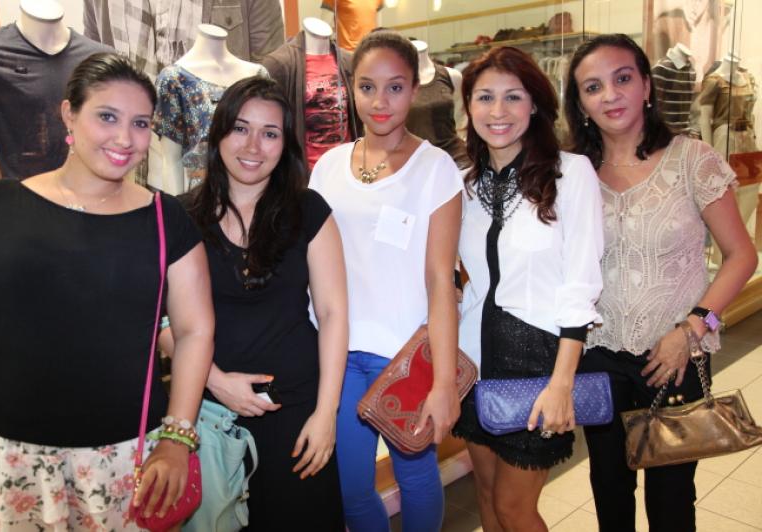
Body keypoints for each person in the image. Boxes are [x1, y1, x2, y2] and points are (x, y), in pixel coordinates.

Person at [0, 52, 214, 531]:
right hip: (4, 450)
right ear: (68, 114)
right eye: (107, 117)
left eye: (141, 123)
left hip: (124, 456)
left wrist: (178, 438)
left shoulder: (167, 220)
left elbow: (195, 331)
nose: (124, 139)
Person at [565, 33, 758, 532]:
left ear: (647, 86)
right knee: (609, 488)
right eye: (593, 87)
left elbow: (741, 256)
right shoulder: (574, 174)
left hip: (676, 353)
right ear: (580, 104)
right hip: (598, 353)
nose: (610, 95)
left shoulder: (692, 159)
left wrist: (694, 327)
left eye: (622, 78)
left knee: (672, 499)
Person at [162, 76, 348, 530]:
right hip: (208, 410)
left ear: (285, 145)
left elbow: (333, 314)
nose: (253, 146)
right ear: (219, 133)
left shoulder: (309, 210)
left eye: (270, 133)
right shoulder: (179, 217)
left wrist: (327, 414)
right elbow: (161, 323)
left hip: (297, 408)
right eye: (240, 128)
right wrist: (216, 380)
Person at [309, 31, 463, 532]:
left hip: (405, 356)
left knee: (415, 477)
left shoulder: (436, 169)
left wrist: (444, 382)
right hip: (338, 352)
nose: (380, 102)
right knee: (350, 488)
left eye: (395, 87)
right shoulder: (328, 167)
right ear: (351, 89)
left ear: (414, 90)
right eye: (367, 87)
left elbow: (441, 281)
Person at [450, 46, 604, 531]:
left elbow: (581, 283)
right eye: (485, 97)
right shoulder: (463, 184)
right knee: (487, 496)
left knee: (515, 508)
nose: (498, 111)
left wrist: (562, 384)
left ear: (534, 104)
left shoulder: (570, 173)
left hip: (539, 362)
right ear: (468, 106)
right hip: (474, 362)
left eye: (513, 97)